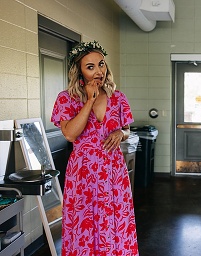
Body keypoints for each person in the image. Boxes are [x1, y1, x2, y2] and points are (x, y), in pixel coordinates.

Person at [51, 41, 138, 255]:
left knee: (115, 220)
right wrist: (89, 100)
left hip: (113, 170)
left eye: (101, 64)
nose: (98, 71)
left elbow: (127, 129)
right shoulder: (66, 99)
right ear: (78, 71)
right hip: (83, 173)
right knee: (83, 224)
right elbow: (70, 134)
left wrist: (121, 133)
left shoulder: (118, 98)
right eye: (90, 67)